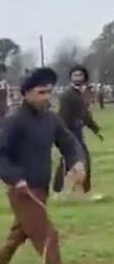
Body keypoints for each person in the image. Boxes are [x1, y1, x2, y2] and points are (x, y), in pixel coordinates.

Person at [0, 67, 85, 264]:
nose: (46, 97)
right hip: (22, 190)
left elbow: (68, 142)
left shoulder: (51, 119)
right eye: (41, 92)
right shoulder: (15, 120)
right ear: (27, 93)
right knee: (47, 235)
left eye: (49, 92)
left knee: (21, 231)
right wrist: (15, 177)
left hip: (41, 187)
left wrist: (77, 162)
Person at [53, 64, 103, 199]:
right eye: (74, 75)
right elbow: (62, 116)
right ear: (71, 77)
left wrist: (95, 129)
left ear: (84, 77)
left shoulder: (81, 94)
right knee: (71, 161)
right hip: (69, 133)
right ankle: (61, 191)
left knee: (73, 161)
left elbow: (85, 115)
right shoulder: (67, 95)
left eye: (80, 75)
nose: (77, 78)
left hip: (77, 132)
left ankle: (63, 191)